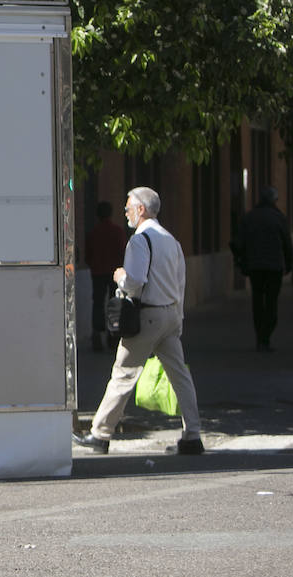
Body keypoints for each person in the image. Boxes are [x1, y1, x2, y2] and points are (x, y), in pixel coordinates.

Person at [72, 186, 204, 455]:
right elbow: (180, 283)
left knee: (122, 375)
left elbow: (134, 283)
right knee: (180, 377)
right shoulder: (171, 240)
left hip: (147, 316)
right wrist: (177, 318)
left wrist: (119, 275)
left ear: (141, 209)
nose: (126, 211)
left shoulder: (140, 240)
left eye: (129, 206)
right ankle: (193, 435)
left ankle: (100, 435)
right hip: (169, 315)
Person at [236, 186, 293, 351]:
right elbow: (287, 244)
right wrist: (289, 264)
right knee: (271, 302)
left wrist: (242, 262)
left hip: (256, 266)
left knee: (257, 301)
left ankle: (260, 336)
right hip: (274, 266)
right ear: (274, 200)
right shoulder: (279, 217)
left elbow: (240, 242)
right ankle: (265, 336)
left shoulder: (249, 217)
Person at [84, 201, 129, 352]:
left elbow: (88, 255)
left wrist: (93, 265)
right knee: (114, 302)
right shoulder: (118, 231)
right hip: (114, 272)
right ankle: (113, 336)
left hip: (97, 272)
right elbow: (123, 252)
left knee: (97, 302)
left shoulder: (93, 232)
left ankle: (97, 334)